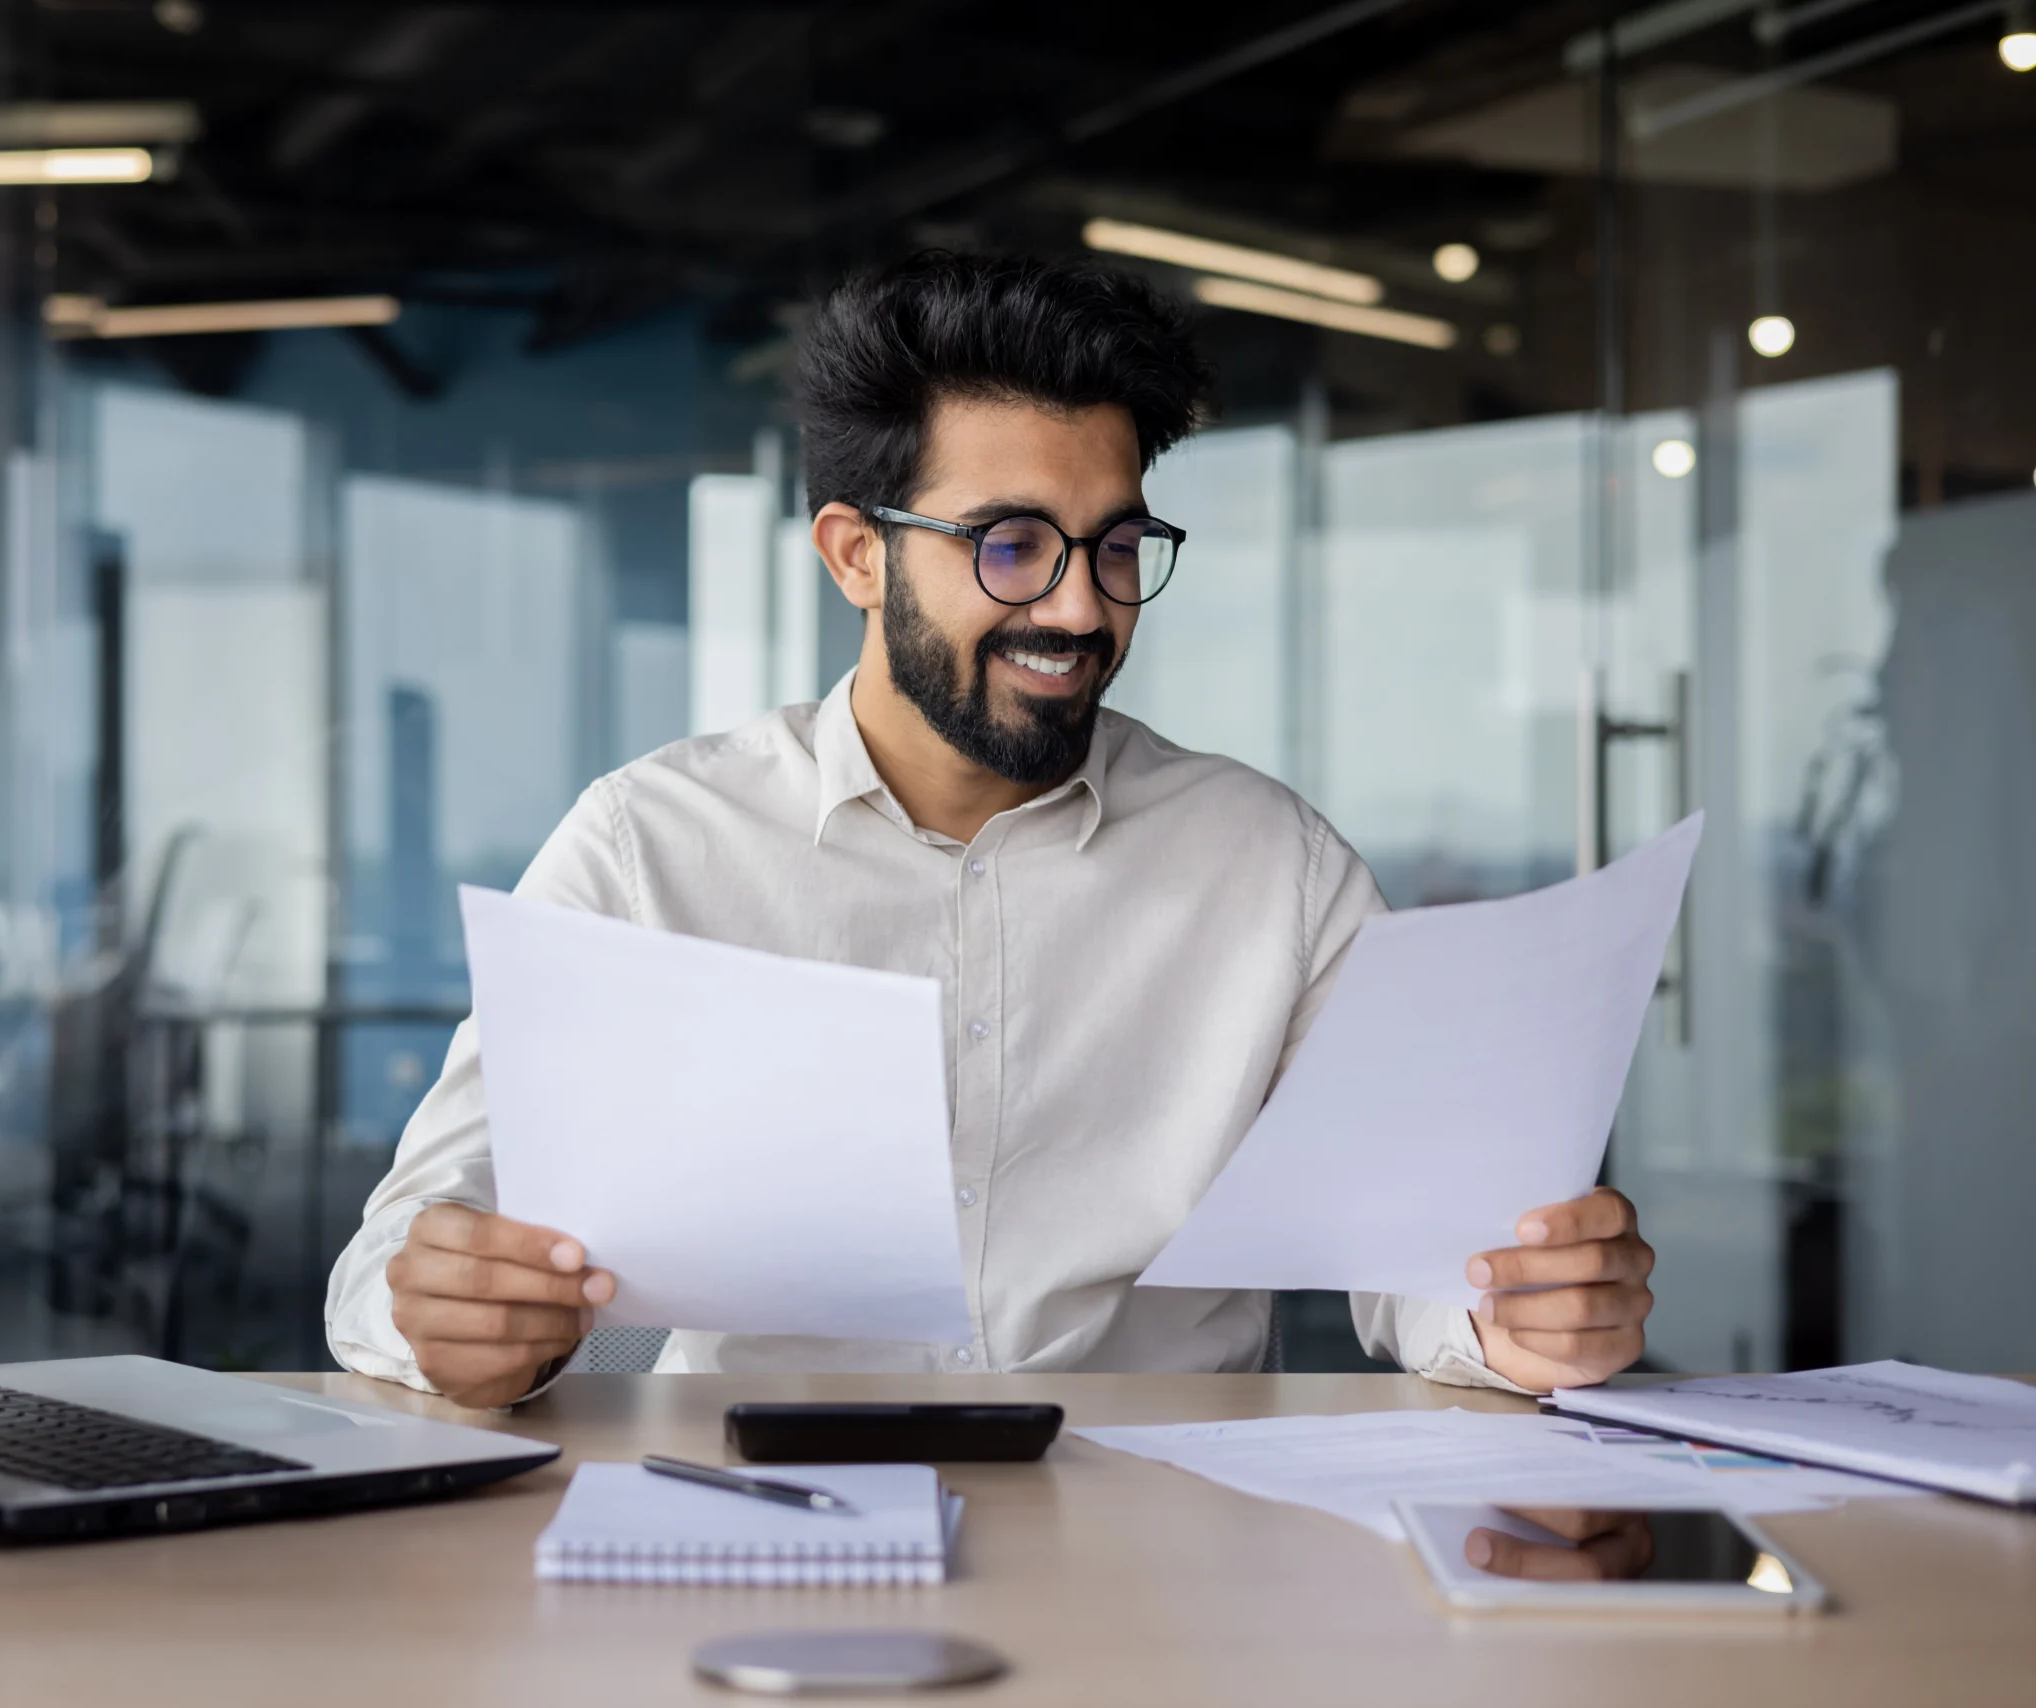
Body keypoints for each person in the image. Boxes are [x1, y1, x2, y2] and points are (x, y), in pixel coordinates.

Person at [326, 251, 1656, 1410]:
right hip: (759, 1533)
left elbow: (1421, 1264)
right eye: (1013, 547)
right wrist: (443, 1313)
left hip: (1171, 1552)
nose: (1081, 610)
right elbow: (406, 1255)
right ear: (857, 555)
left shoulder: (1274, 869)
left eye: (1116, 547)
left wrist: (1515, 1313)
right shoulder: (649, 845)